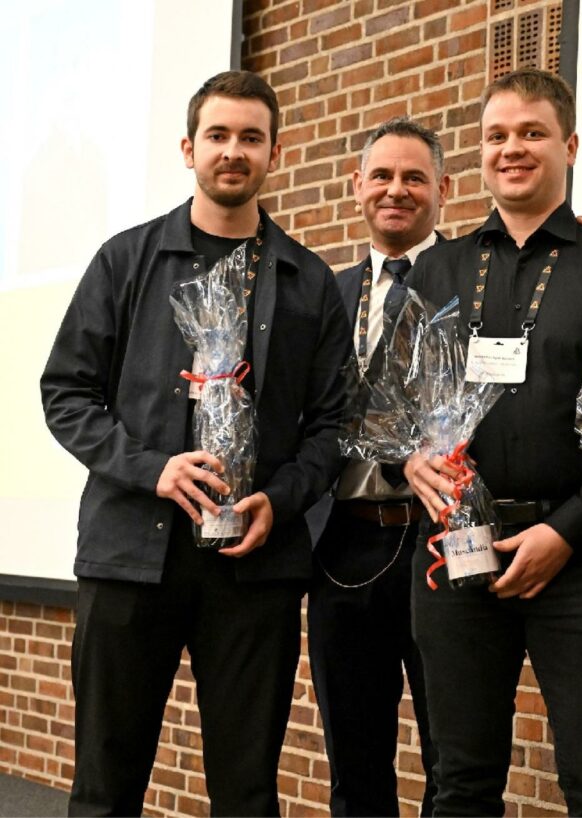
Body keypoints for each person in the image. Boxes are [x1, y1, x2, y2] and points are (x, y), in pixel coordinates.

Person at [40, 71, 352, 816]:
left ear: (277, 150)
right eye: (218, 135)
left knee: (247, 792)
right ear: (189, 147)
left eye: (250, 137)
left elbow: (334, 426)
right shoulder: (126, 260)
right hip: (129, 558)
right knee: (104, 788)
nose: (233, 152)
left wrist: (279, 501)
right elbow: (65, 393)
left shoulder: (309, 282)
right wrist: (153, 470)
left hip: (254, 569)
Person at [402, 68, 582, 816]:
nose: (513, 148)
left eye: (532, 133)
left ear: (569, 145)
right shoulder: (436, 267)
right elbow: (398, 403)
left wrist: (566, 533)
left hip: (577, 562)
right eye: (496, 135)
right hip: (453, 549)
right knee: (460, 781)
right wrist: (409, 456)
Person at [305, 117, 449, 817]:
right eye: (383, 176)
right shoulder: (321, 293)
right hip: (340, 545)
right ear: (356, 187)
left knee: (452, 761)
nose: (397, 190)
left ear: (443, 190)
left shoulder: (471, 279)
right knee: (354, 767)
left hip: (436, 543)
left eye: (414, 177)